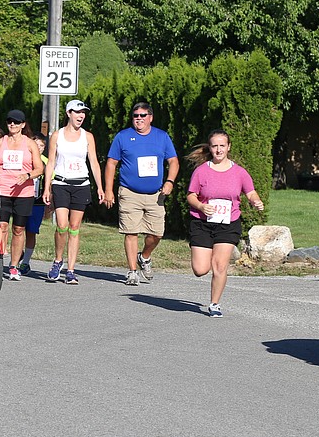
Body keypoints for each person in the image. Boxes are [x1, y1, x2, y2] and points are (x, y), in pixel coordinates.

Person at [186, 130, 264, 317]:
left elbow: (250, 192)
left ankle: (214, 304)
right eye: (215, 146)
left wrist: (256, 201)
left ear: (228, 147)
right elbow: (190, 196)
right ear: (210, 148)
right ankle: (206, 262)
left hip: (228, 223)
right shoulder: (201, 171)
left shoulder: (239, 173)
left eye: (222, 146)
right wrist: (201, 206)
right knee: (200, 269)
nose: (219, 150)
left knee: (220, 265)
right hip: (202, 223)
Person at [103, 101, 179, 286]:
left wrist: (169, 182)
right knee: (131, 232)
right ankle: (132, 271)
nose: (139, 119)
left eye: (143, 115)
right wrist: (108, 190)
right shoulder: (123, 137)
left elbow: (174, 161)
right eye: (135, 116)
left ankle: (144, 257)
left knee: (157, 233)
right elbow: (111, 163)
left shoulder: (161, 137)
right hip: (129, 192)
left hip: (156, 194)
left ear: (150, 118)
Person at [43, 99, 103, 285]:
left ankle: (70, 269)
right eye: (77, 112)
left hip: (81, 184)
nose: (81, 116)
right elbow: (50, 162)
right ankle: (57, 261)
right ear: (69, 113)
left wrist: (100, 187)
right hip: (61, 183)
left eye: (83, 112)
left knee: (75, 228)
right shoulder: (57, 136)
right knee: (62, 225)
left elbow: (93, 161)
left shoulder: (88, 136)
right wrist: (47, 187)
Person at [0, 110, 44, 280]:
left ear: (22, 124)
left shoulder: (30, 144)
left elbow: (39, 168)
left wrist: (27, 175)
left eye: (16, 122)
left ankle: (13, 266)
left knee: (19, 229)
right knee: (2, 226)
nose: (12, 125)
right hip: (3, 190)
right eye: (9, 122)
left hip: (23, 193)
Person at [19, 133, 49, 274]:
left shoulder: (46, 162)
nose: (38, 148)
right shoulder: (25, 159)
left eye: (41, 146)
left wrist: (50, 201)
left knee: (31, 231)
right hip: (23, 198)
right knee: (18, 229)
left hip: (37, 203)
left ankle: (25, 262)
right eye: (36, 145)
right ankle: (17, 254)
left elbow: (51, 182)